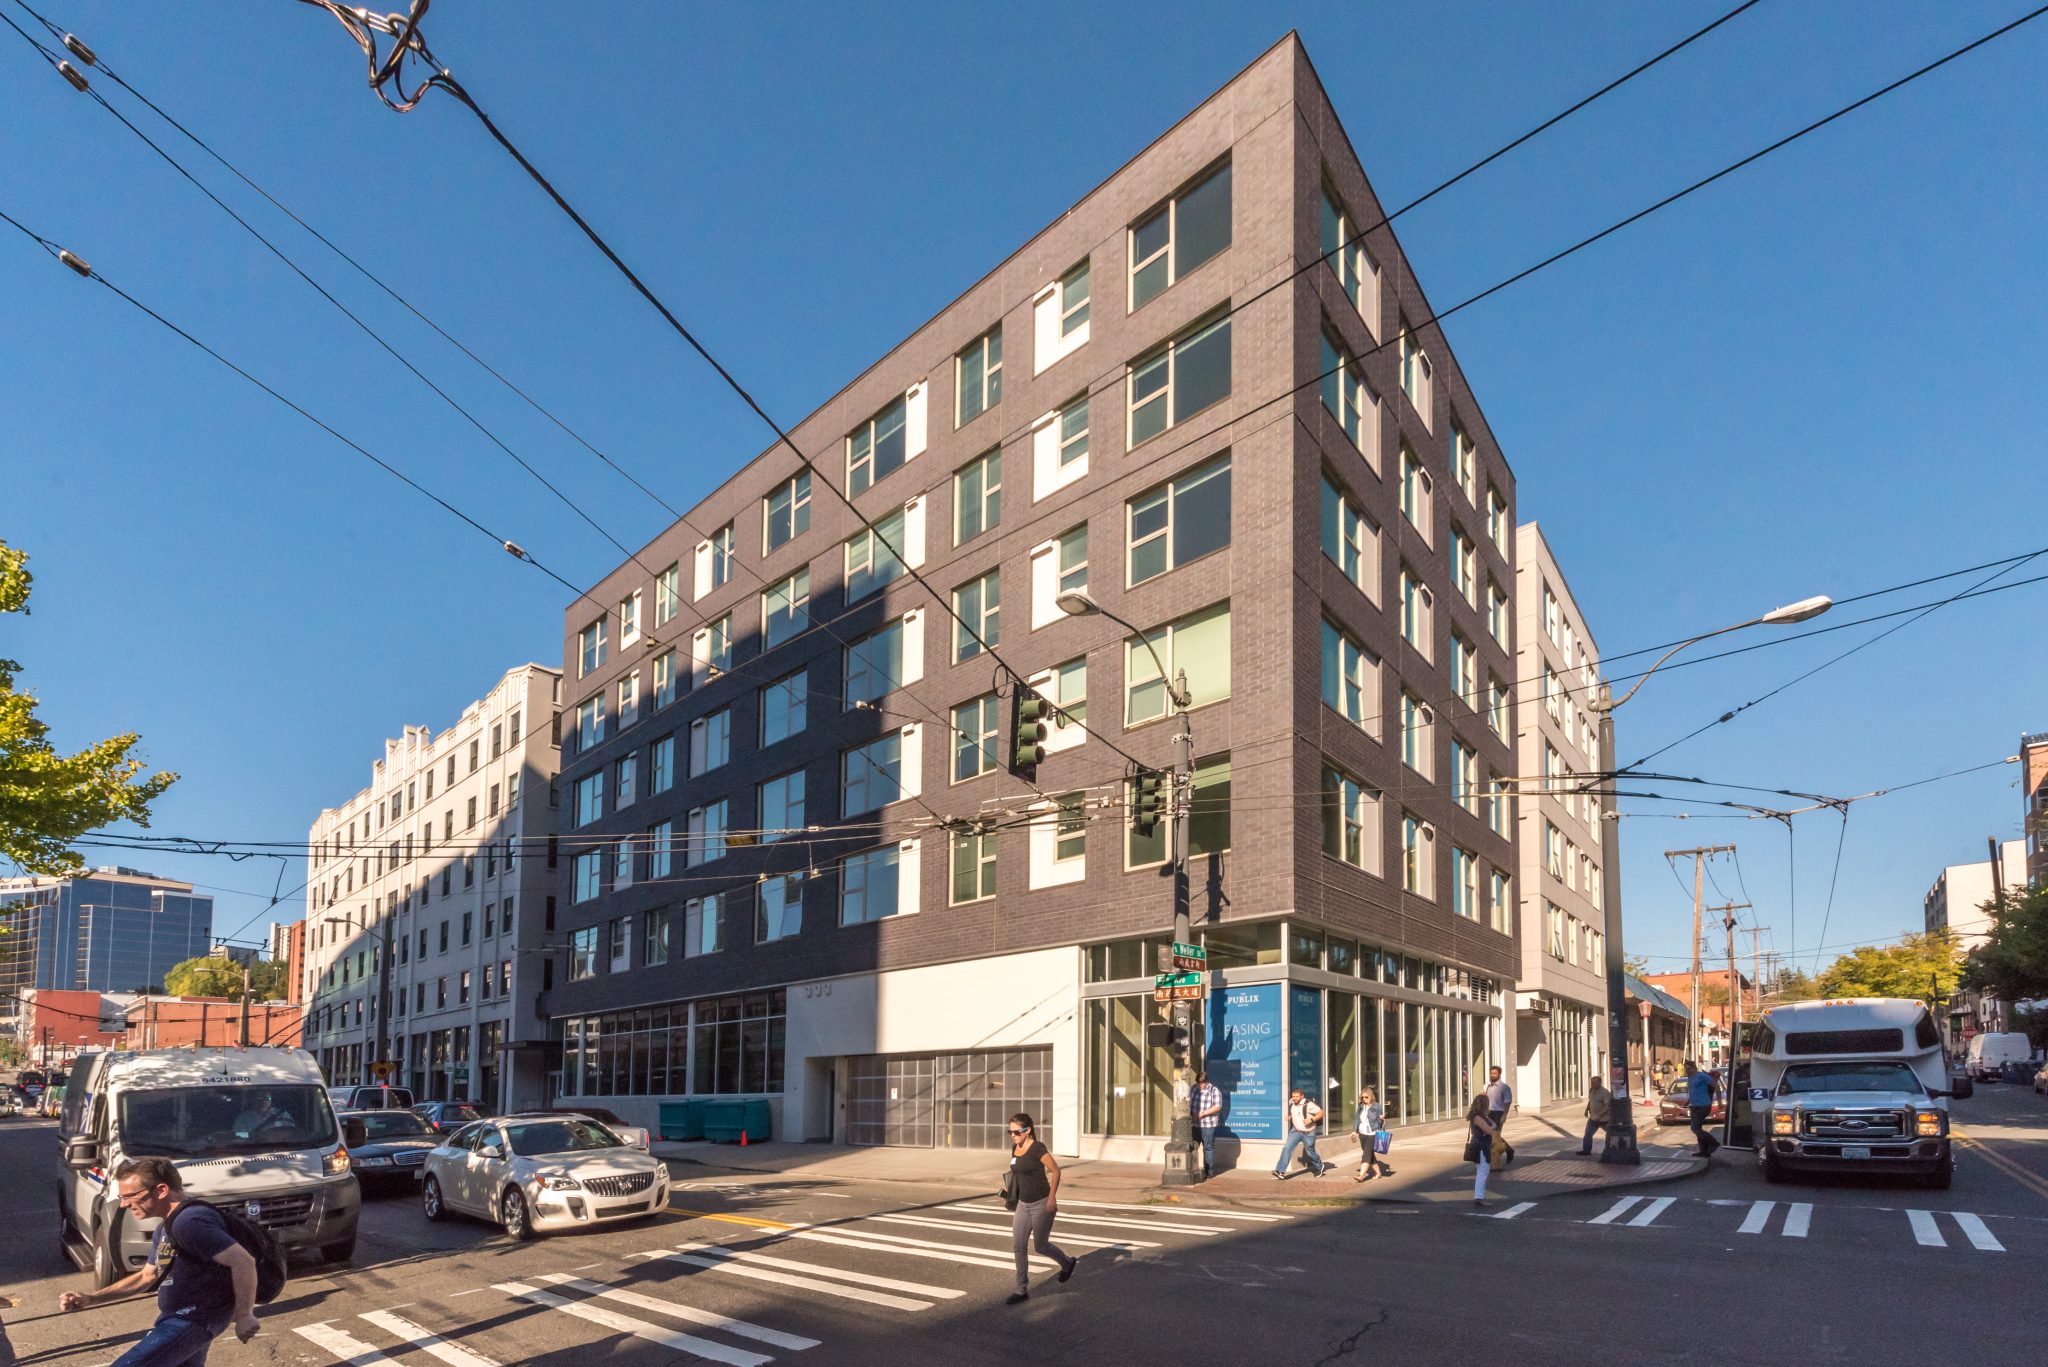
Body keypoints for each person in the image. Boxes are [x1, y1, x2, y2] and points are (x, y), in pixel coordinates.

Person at [59, 1155, 260, 1366]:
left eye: (129, 1196)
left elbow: (243, 1261)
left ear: (162, 1190)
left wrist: (244, 1314)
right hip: (181, 1320)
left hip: (192, 1320)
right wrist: (91, 1298)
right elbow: (147, 1276)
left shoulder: (189, 1222)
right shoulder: (166, 1227)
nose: (124, 1205)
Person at [1004, 1112, 1076, 1305]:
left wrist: (1052, 1198)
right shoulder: (1015, 1148)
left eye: (1016, 1132)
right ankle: (1021, 1289)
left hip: (1041, 1203)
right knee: (1018, 1246)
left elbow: (1056, 1171)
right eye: (1009, 1132)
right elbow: (1017, 1171)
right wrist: (1010, 1189)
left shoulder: (1037, 1148)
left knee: (1041, 1246)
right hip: (1022, 1204)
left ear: (1027, 1131)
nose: (1012, 1135)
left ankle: (1067, 1263)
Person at [1271, 1087, 1328, 1179]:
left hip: (1308, 1132)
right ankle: (1280, 1171)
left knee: (1310, 1152)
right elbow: (1294, 1112)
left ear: (1302, 1096)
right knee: (1286, 1149)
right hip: (1296, 1131)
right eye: (1293, 1096)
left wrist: (1311, 1119)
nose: (1295, 1098)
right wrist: (1290, 1116)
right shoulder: (1291, 1102)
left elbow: (1322, 1113)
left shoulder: (1308, 1104)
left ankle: (1319, 1167)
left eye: (1297, 1097)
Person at [1463, 1092, 1499, 1206]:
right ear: (1484, 1105)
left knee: (1482, 1170)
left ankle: (1479, 1196)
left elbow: (1492, 1126)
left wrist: (1490, 1124)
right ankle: (1479, 1197)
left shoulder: (1480, 1116)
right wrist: (1491, 1126)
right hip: (1481, 1145)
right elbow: (1490, 1130)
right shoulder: (1478, 1117)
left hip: (1481, 1144)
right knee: (1483, 1171)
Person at [1683, 1059, 1721, 1157]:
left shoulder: (1702, 1076)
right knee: (1697, 1129)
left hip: (1704, 1105)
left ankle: (1713, 1142)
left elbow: (1716, 1087)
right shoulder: (1690, 1077)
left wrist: (1720, 1102)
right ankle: (1704, 1151)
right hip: (1694, 1106)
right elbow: (1693, 1091)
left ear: (1694, 1068)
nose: (1687, 1071)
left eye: (1689, 1068)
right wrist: (1688, 1101)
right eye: (1686, 1069)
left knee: (1694, 1127)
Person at [1352, 1086, 1389, 1182]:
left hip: (1373, 1134)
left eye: (1366, 1097)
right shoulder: (1360, 1107)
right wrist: (1354, 1131)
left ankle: (1361, 1176)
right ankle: (1378, 1173)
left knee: (1366, 1155)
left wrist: (1381, 1118)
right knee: (1370, 1155)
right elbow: (1357, 1119)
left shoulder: (1377, 1106)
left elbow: (1380, 1122)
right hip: (1362, 1134)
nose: (1364, 1099)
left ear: (1371, 1097)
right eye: (1362, 1097)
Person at [1193, 1073, 1224, 1178]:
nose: (1199, 1085)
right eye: (1198, 1083)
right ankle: (1193, 1169)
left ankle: (1209, 1172)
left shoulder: (1214, 1090)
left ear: (1206, 1082)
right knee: (1192, 1147)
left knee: (1208, 1148)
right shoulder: (1194, 1088)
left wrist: (1204, 1113)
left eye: (1201, 1083)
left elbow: (1217, 1106)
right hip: (1195, 1124)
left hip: (1208, 1125)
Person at [1580, 1076, 1613, 1155]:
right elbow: (1591, 1100)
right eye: (1591, 1083)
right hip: (1593, 1118)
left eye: (1594, 1083)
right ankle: (1586, 1151)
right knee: (1588, 1134)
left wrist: (1600, 1114)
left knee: (1610, 1133)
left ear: (1600, 1083)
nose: (1593, 1084)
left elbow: (1607, 1105)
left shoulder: (1604, 1092)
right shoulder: (1591, 1091)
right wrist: (1587, 1109)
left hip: (1604, 1119)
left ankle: (1611, 1149)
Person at [1483, 1066, 1513, 1132]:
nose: (1492, 1075)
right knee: (1486, 1134)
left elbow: (1507, 1102)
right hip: (1487, 1112)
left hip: (1498, 1113)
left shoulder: (1504, 1087)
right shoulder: (1487, 1085)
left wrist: (1504, 1115)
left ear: (1499, 1074)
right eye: (1491, 1073)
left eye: (1495, 1073)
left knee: (1495, 1134)